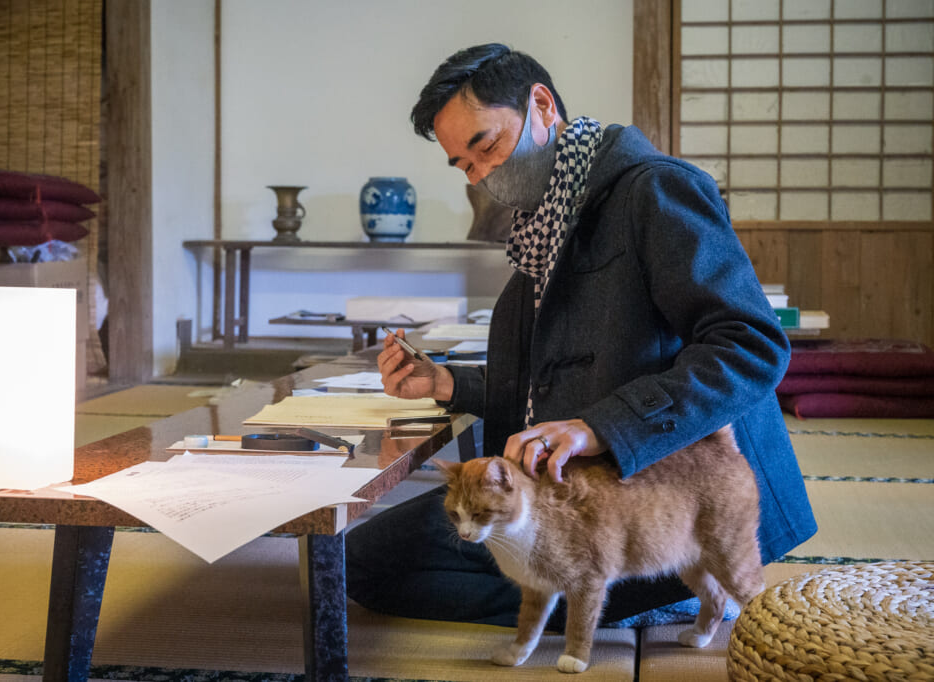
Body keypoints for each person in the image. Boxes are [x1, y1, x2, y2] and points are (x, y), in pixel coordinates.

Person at [345, 43, 817, 627]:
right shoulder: (542, 224)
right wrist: (446, 382)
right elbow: (549, 382)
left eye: (486, 146)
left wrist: (599, 427)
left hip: (670, 502)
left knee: (367, 564)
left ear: (541, 104)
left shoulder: (654, 190)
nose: (483, 173)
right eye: (465, 166)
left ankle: (645, 582)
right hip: (573, 489)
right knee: (364, 559)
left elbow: (750, 345)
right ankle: (600, 589)